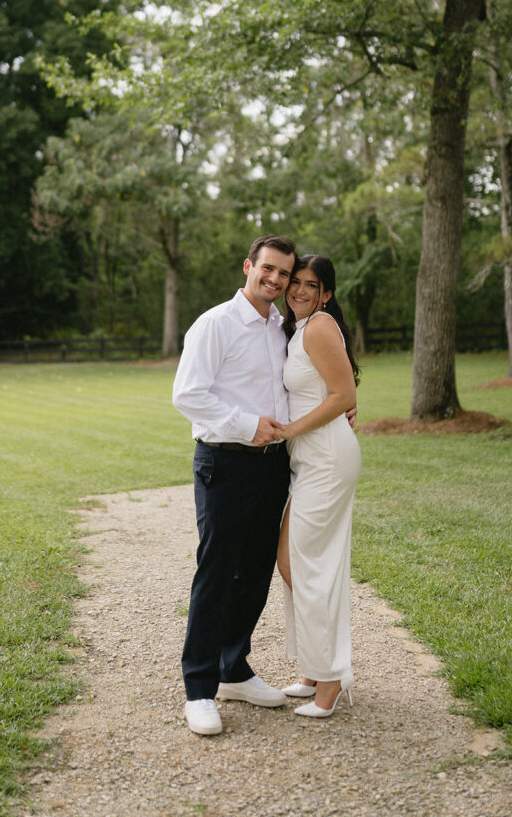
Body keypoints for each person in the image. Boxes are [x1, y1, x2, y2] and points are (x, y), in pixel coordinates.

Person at [172, 234, 297, 736]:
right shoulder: (215, 324)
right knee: (218, 571)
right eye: (267, 269)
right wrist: (247, 425)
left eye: (283, 274)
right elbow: (187, 394)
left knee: (256, 570)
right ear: (248, 266)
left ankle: (233, 667)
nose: (274, 279)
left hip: (272, 465)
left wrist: (341, 404)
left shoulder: (281, 328)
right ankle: (199, 689)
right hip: (224, 462)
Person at [276, 254, 361, 719]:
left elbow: (343, 395)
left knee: (307, 566)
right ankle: (313, 667)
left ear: (326, 293)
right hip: (311, 459)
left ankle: (329, 680)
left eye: (312, 285)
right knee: (292, 561)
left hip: (326, 459)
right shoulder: (299, 329)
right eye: (296, 282)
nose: (300, 290)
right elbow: (338, 388)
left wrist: (290, 430)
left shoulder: (319, 325)